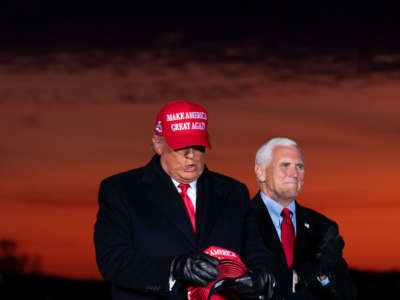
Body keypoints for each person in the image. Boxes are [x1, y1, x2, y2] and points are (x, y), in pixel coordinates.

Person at [94, 100, 275, 300]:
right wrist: (173, 268)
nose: (191, 156)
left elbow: (258, 252)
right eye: (180, 146)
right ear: (158, 144)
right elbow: (113, 262)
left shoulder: (234, 192)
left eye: (198, 146)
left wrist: (262, 275)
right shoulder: (120, 190)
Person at [250, 137, 357, 300]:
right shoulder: (237, 220)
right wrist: (299, 275)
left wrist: (323, 275)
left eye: (299, 166)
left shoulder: (322, 227)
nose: (294, 174)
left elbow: (348, 295)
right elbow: (238, 284)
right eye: (285, 165)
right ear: (261, 171)